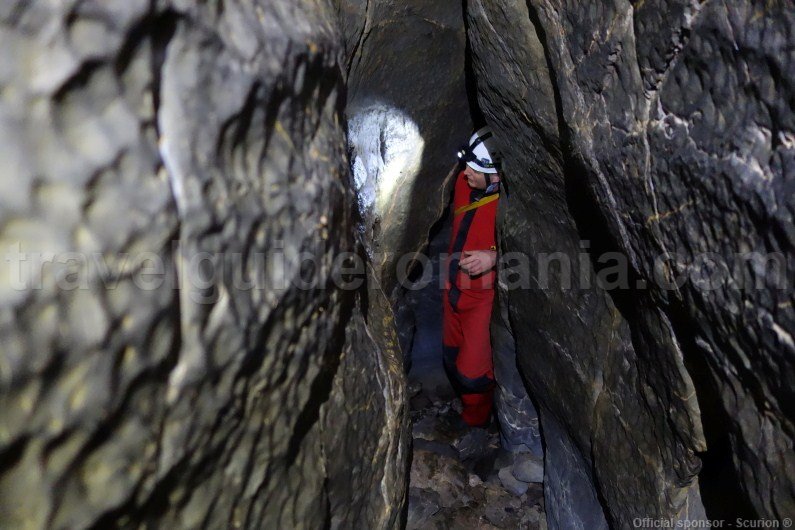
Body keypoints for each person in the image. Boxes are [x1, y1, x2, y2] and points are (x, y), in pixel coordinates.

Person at [443, 126, 501, 427]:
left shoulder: (507, 205)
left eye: (475, 169)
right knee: (450, 355)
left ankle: (475, 423)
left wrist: (494, 257)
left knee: (473, 374)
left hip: (482, 300)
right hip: (453, 288)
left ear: (496, 176)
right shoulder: (464, 186)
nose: (466, 172)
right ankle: (463, 407)